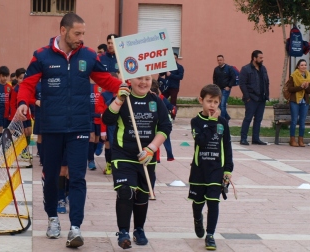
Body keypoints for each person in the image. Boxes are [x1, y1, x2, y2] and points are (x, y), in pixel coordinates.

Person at [16, 13, 125, 248]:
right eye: (77, 33)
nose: (81, 38)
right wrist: (23, 102)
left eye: (83, 33)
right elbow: (27, 84)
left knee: (77, 177)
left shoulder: (87, 56)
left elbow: (105, 79)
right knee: (52, 176)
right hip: (51, 126)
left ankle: (75, 227)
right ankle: (53, 218)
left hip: (79, 126)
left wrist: (124, 87)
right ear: (63, 30)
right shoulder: (42, 55)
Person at [102, 75, 172, 249]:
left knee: (142, 195)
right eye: (139, 78)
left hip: (146, 157)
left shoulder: (156, 101)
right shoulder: (122, 97)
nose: (143, 82)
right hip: (123, 154)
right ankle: (123, 232)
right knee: (125, 191)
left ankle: (139, 229)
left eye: (147, 79)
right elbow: (107, 119)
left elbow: (165, 127)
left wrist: (151, 149)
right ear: (130, 80)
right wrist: (118, 100)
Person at [188, 84, 233, 251]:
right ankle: (197, 218)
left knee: (213, 202)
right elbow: (202, 141)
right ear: (201, 101)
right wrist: (211, 123)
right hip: (199, 170)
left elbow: (227, 147)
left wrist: (228, 170)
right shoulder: (196, 122)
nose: (212, 105)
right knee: (198, 202)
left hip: (216, 170)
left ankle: (211, 235)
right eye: (209, 101)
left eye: (216, 102)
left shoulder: (223, 123)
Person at [238, 50, 269, 145]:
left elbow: (266, 82)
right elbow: (242, 84)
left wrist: (266, 95)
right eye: (260, 58)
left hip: (262, 98)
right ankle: (243, 138)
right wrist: (247, 97)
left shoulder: (263, 69)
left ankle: (256, 138)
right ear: (254, 58)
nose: (262, 59)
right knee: (248, 118)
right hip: (251, 98)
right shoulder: (246, 69)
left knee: (258, 119)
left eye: (262, 58)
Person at [287, 59, 310, 147]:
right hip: (295, 101)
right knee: (294, 120)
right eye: (302, 65)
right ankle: (292, 140)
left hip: (304, 101)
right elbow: (290, 89)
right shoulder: (293, 75)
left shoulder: (308, 77)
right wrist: (300, 87)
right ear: (298, 66)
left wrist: (306, 87)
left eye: (305, 65)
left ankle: (301, 139)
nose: (304, 67)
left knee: (302, 121)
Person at [213, 55, 235, 121]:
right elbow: (214, 79)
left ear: (223, 60)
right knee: (219, 105)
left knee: (223, 105)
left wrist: (229, 86)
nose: (219, 61)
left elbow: (233, 78)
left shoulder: (229, 68)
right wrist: (215, 87)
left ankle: (222, 120)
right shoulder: (216, 69)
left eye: (220, 60)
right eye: (218, 60)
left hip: (226, 89)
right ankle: (227, 117)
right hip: (219, 89)